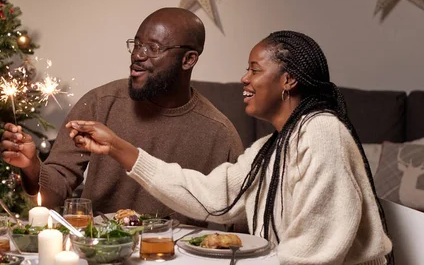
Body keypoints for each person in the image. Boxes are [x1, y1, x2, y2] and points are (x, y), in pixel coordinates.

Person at [68, 30, 393, 265]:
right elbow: (211, 196)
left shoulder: (322, 131)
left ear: (288, 80)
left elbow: (314, 252)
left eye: (254, 69)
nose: (243, 78)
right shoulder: (272, 147)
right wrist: (117, 147)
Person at [0, 7, 243, 226]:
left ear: (188, 60)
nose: (138, 55)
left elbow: (239, 225)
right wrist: (32, 166)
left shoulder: (218, 132)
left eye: (154, 48)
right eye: (136, 44)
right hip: (100, 251)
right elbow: (54, 193)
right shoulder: (100, 103)